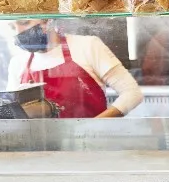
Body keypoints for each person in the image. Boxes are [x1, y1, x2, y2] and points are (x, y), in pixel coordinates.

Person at [7, 20, 142, 118]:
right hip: (42, 150)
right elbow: (13, 113)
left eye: (24, 23)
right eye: (12, 27)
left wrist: (92, 128)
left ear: (48, 21)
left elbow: (132, 93)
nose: (18, 32)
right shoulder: (17, 63)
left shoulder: (87, 46)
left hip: (91, 146)